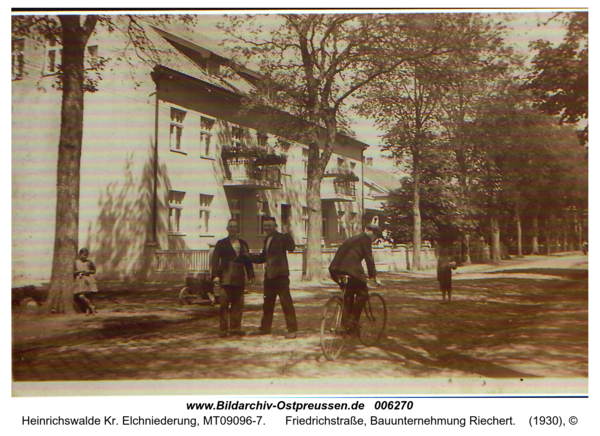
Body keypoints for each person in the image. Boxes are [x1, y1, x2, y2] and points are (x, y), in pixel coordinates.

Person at [247, 217, 298, 339]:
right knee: (268, 304)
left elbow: (291, 247)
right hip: (269, 277)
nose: (267, 228)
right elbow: (263, 257)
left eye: (269, 225)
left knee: (286, 303)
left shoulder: (281, 237)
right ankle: (265, 328)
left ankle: (292, 329)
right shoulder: (267, 239)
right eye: (265, 226)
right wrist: (249, 257)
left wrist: (288, 233)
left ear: (275, 226)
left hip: (280, 276)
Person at [328, 224, 382, 336]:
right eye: (375, 235)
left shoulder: (354, 239)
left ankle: (346, 326)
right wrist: (374, 276)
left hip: (335, 269)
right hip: (350, 270)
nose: (374, 238)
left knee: (348, 296)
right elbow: (369, 259)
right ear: (368, 231)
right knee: (363, 294)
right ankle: (353, 321)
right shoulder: (365, 239)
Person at [211, 219, 255, 337]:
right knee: (224, 305)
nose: (232, 229)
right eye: (230, 226)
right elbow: (215, 260)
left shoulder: (243, 243)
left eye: (235, 226)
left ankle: (235, 329)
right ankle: (223, 330)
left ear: (237, 229)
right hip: (225, 278)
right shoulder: (221, 243)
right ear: (227, 229)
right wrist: (215, 275)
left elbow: (247, 260)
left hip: (239, 278)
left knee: (237, 305)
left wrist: (250, 274)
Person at [74, 248, 98, 315]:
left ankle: (88, 310)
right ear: (80, 254)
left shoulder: (89, 262)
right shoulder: (76, 262)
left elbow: (93, 270)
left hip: (88, 279)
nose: (85, 256)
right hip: (80, 280)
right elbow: (73, 272)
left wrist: (88, 271)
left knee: (88, 295)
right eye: (84, 255)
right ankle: (91, 306)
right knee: (81, 295)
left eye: (86, 255)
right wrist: (78, 272)